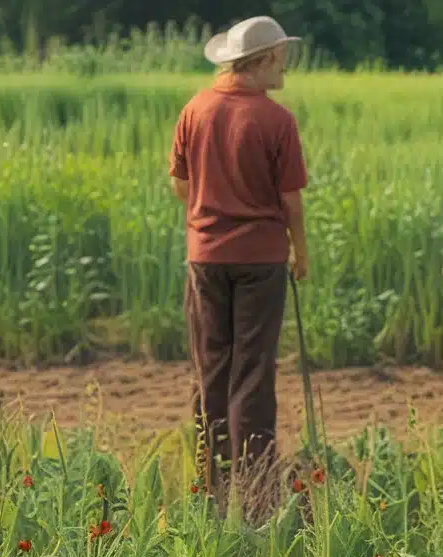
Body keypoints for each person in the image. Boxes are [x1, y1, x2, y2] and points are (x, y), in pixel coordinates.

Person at [170, 15, 309, 497]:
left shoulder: (195, 109)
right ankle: (255, 486)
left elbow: (181, 185)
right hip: (262, 261)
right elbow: (290, 200)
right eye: (282, 61)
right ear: (264, 60)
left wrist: (213, 216)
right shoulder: (277, 120)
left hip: (205, 258)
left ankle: (210, 482)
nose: (284, 72)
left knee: (211, 364)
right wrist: (301, 252)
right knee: (253, 370)